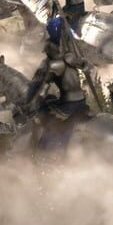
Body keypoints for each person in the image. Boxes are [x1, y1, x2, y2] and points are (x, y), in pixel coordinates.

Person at [24, 16, 89, 149]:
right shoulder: (71, 57)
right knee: (51, 100)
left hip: (69, 104)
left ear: (50, 51)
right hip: (81, 100)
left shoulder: (53, 65)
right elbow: (87, 67)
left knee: (47, 119)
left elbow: (42, 90)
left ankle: (49, 151)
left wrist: (32, 103)